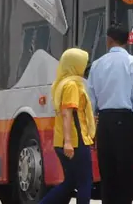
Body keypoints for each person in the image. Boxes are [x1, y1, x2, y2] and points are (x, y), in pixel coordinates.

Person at [87, 25, 133, 204]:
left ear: (109, 40)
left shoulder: (97, 64)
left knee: (107, 172)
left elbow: (90, 99)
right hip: (125, 120)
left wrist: (91, 128)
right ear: (128, 41)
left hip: (104, 120)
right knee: (127, 172)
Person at [40, 48, 96, 204]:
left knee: (70, 182)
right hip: (75, 141)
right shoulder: (72, 85)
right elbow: (67, 114)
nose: (86, 68)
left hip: (65, 140)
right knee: (85, 181)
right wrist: (69, 142)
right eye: (83, 64)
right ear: (74, 65)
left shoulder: (62, 83)